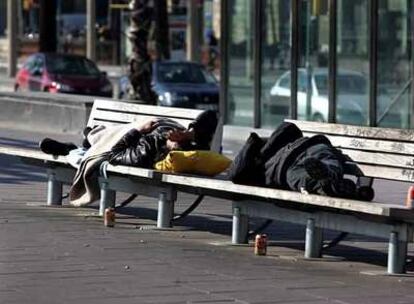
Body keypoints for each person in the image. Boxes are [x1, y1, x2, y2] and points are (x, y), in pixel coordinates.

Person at [39, 110, 218, 206]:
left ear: (169, 151)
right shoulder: (191, 143)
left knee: (88, 152)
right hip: (143, 129)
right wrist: (189, 133)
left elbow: (116, 153)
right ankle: (89, 138)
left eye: (175, 141)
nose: (175, 135)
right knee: (93, 139)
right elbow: (211, 115)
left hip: (125, 141)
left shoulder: (145, 151)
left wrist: (139, 130)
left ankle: (70, 148)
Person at [228, 122, 374, 201]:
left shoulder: (266, 169)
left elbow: (235, 173)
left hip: (289, 166)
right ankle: (332, 183)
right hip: (313, 146)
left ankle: (327, 184)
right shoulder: (267, 155)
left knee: (303, 179)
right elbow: (288, 127)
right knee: (328, 161)